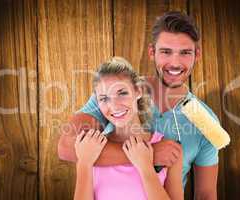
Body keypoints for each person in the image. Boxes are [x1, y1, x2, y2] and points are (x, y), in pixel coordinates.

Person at [59, 11, 219, 200]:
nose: (175, 63)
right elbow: (67, 147)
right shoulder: (118, 92)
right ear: (152, 52)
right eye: (166, 51)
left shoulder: (207, 123)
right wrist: (148, 155)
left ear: (197, 54)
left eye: (185, 52)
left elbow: (206, 194)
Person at [73, 57, 183, 200]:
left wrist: (146, 168)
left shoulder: (170, 152)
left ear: (138, 90)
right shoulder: (91, 149)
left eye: (122, 93)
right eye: (104, 99)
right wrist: (84, 164)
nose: (114, 106)